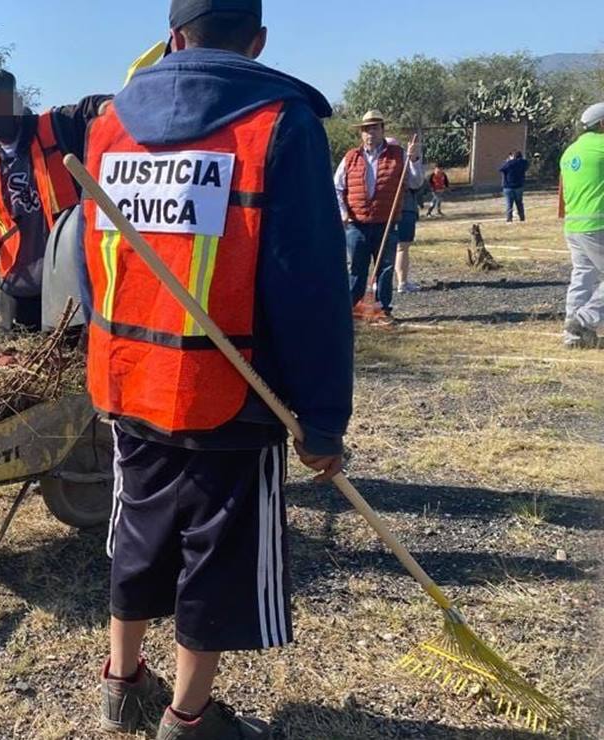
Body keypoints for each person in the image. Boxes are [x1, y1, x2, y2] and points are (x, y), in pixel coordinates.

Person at [87, 2, 353, 737]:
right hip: (231, 389)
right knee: (217, 553)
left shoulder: (109, 125)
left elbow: (89, 260)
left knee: (137, 529)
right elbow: (308, 284)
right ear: (257, 41)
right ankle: (189, 718)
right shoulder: (279, 124)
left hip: (130, 374)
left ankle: (122, 684)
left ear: (172, 38)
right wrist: (322, 417)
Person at [0, 68, 110, 331]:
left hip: (70, 275)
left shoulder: (56, 126)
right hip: (19, 284)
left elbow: (90, 108)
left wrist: (113, 107)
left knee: (75, 351)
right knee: (22, 353)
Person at [334, 110, 423, 320]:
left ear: (383, 130)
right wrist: (343, 212)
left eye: (374, 128)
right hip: (357, 225)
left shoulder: (398, 154)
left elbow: (415, 182)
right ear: (361, 133)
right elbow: (336, 187)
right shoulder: (351, 157)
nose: (370, 133)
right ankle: (353, 310)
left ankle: (383, 309)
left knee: (385, 268)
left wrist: (414, 159)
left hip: (386, 223)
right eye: (366, 129)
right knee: (356, 268)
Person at [558, 102, 604, 349]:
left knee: (582, 276)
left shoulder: (570, 151)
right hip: (599, 224)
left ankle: (573, 337)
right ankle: (584, 319)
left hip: (574, 225)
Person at [388, 138, 423, 294]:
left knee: (402, 246)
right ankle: (379, 282)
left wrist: (414, 159)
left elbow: (417, 182)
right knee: (380, 247)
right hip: (383, 211)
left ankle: (402, 282)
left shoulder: (406, 160)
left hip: (405, 209)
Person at [500, 150, 529, 223]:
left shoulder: (509, 163)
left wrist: (508, 160)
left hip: (508, 187)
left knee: (509, 204)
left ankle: (509, 219)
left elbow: (501, 169)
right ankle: (522, 218)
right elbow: (526, 164)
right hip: (519, 186)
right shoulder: (523, 163)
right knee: (519, 203)